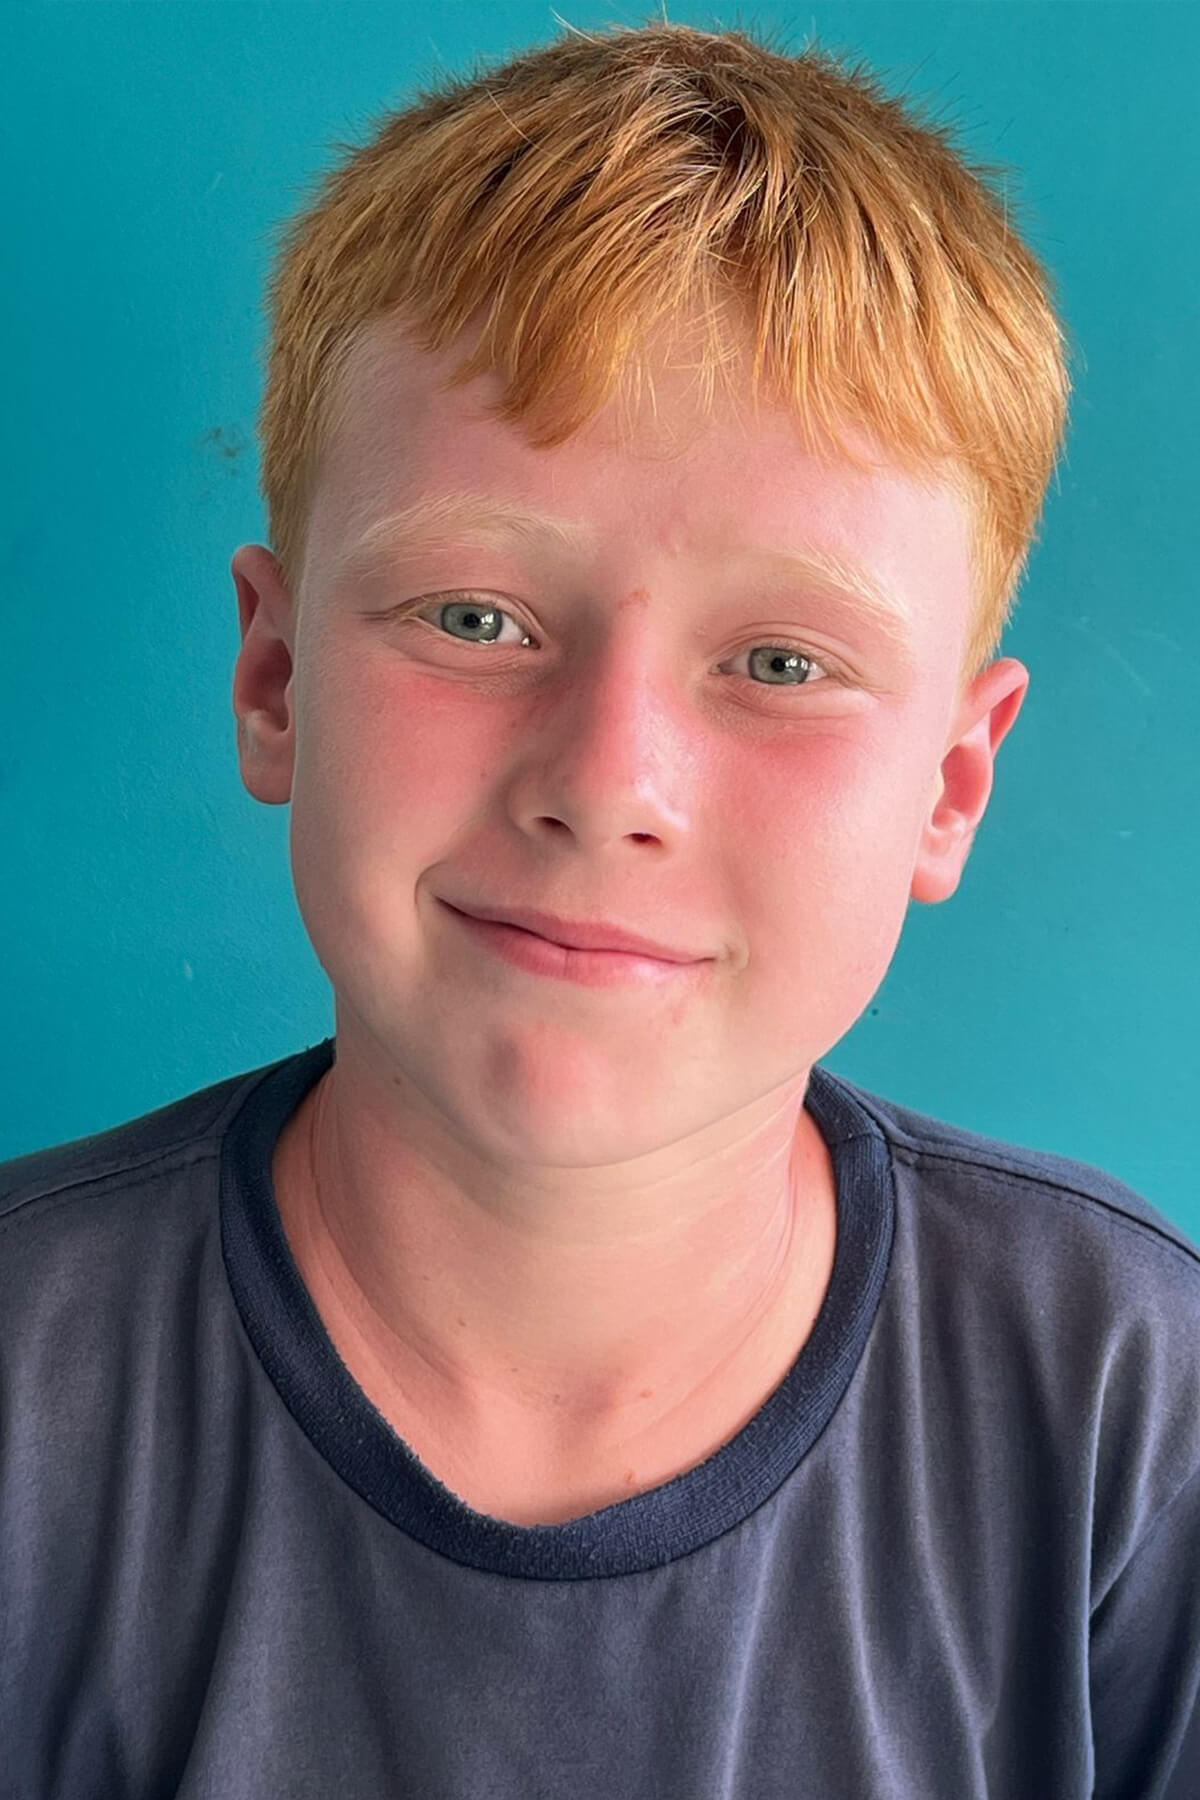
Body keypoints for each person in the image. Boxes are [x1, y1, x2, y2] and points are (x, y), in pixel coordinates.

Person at [2, 20, 1196, 1797]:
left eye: (781, 662)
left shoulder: (1131, 1410)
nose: (609, 781)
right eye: (476, 618)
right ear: (275, 678)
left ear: (950, 785)